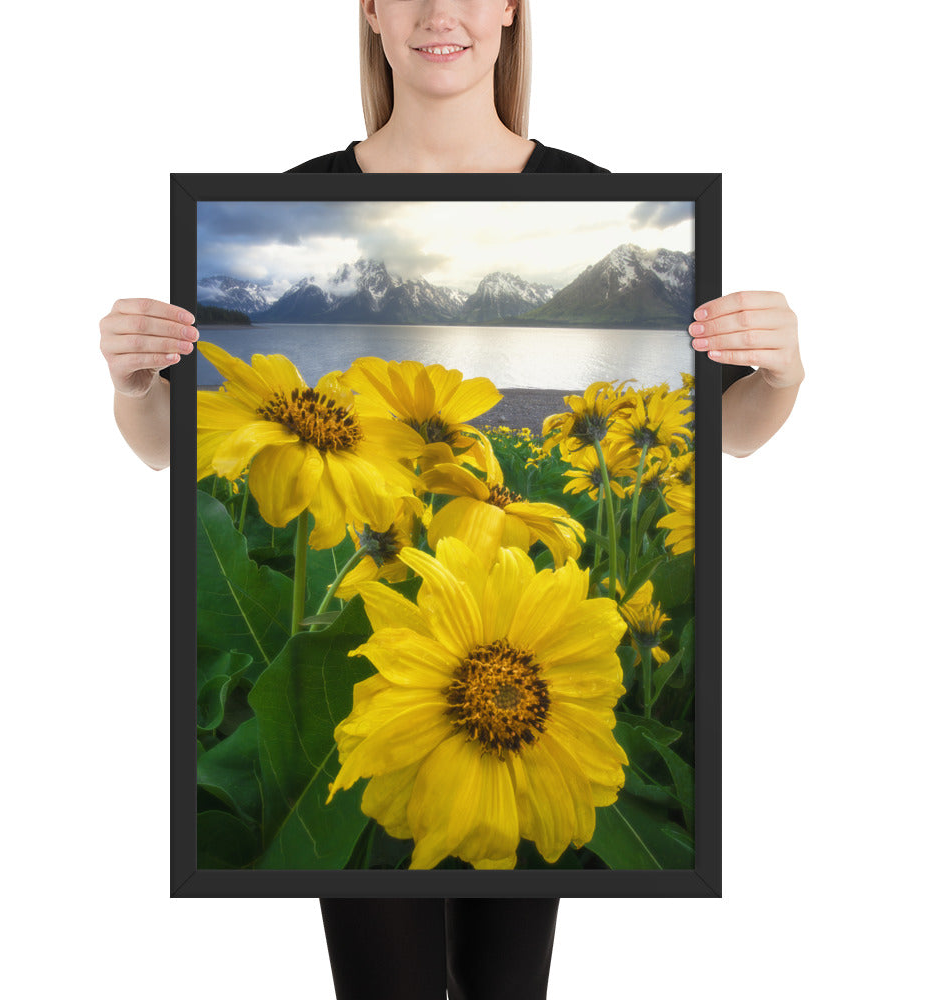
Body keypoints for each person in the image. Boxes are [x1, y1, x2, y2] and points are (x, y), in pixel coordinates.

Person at [99, 2, 804, 998]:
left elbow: (720, 433)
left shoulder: (587, 195)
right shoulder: (300, 196)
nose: (442, 13)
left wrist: (779, 375)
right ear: (372, 14)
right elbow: (168, 454)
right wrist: (134, 386)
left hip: (492, 693)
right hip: (398, 696)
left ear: (511, 10)